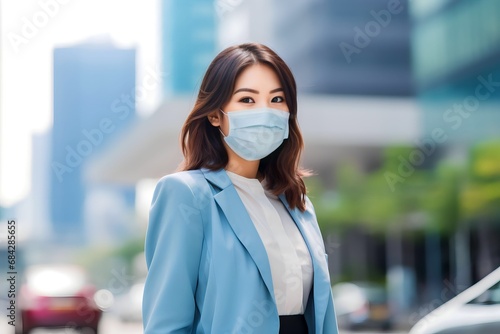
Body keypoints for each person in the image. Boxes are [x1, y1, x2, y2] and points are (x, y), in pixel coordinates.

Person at [142, 43, 338, 334]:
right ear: (215, 115)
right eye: (247, 100)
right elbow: (166, 324)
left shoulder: (299, 203)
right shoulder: (186, 195)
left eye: (277, 99)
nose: (265, 111)